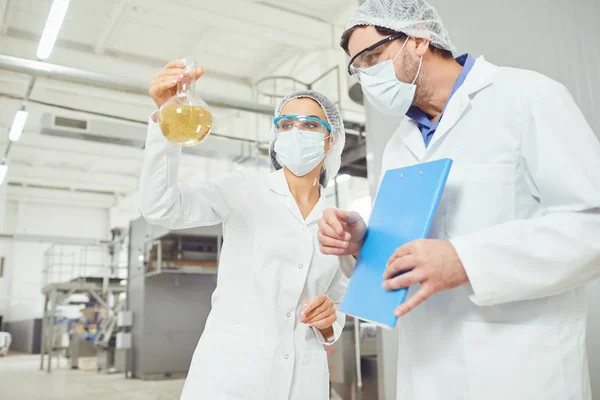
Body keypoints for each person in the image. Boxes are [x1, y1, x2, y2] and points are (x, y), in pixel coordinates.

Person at [318, 0, 600, 399]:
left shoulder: (526, 97)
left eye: (373, 56)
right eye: (357, 67)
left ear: (417, 40)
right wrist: (363, 244)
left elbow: (591, 226)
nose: (366, 76)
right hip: (427, 372)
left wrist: (467, 260)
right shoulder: (401, 144)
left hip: (519, 372)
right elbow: (407, 253)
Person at [139, 61, 352, 399]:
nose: (296, 132)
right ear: (276, 136)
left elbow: (339, 300)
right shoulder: (244, 190)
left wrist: (330, 322)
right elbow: (160, 206)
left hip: (304, 379)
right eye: (286, 124)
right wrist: (168, 117)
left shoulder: (338, 221)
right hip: (233, 374)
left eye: (310, 124)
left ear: (331, 140)